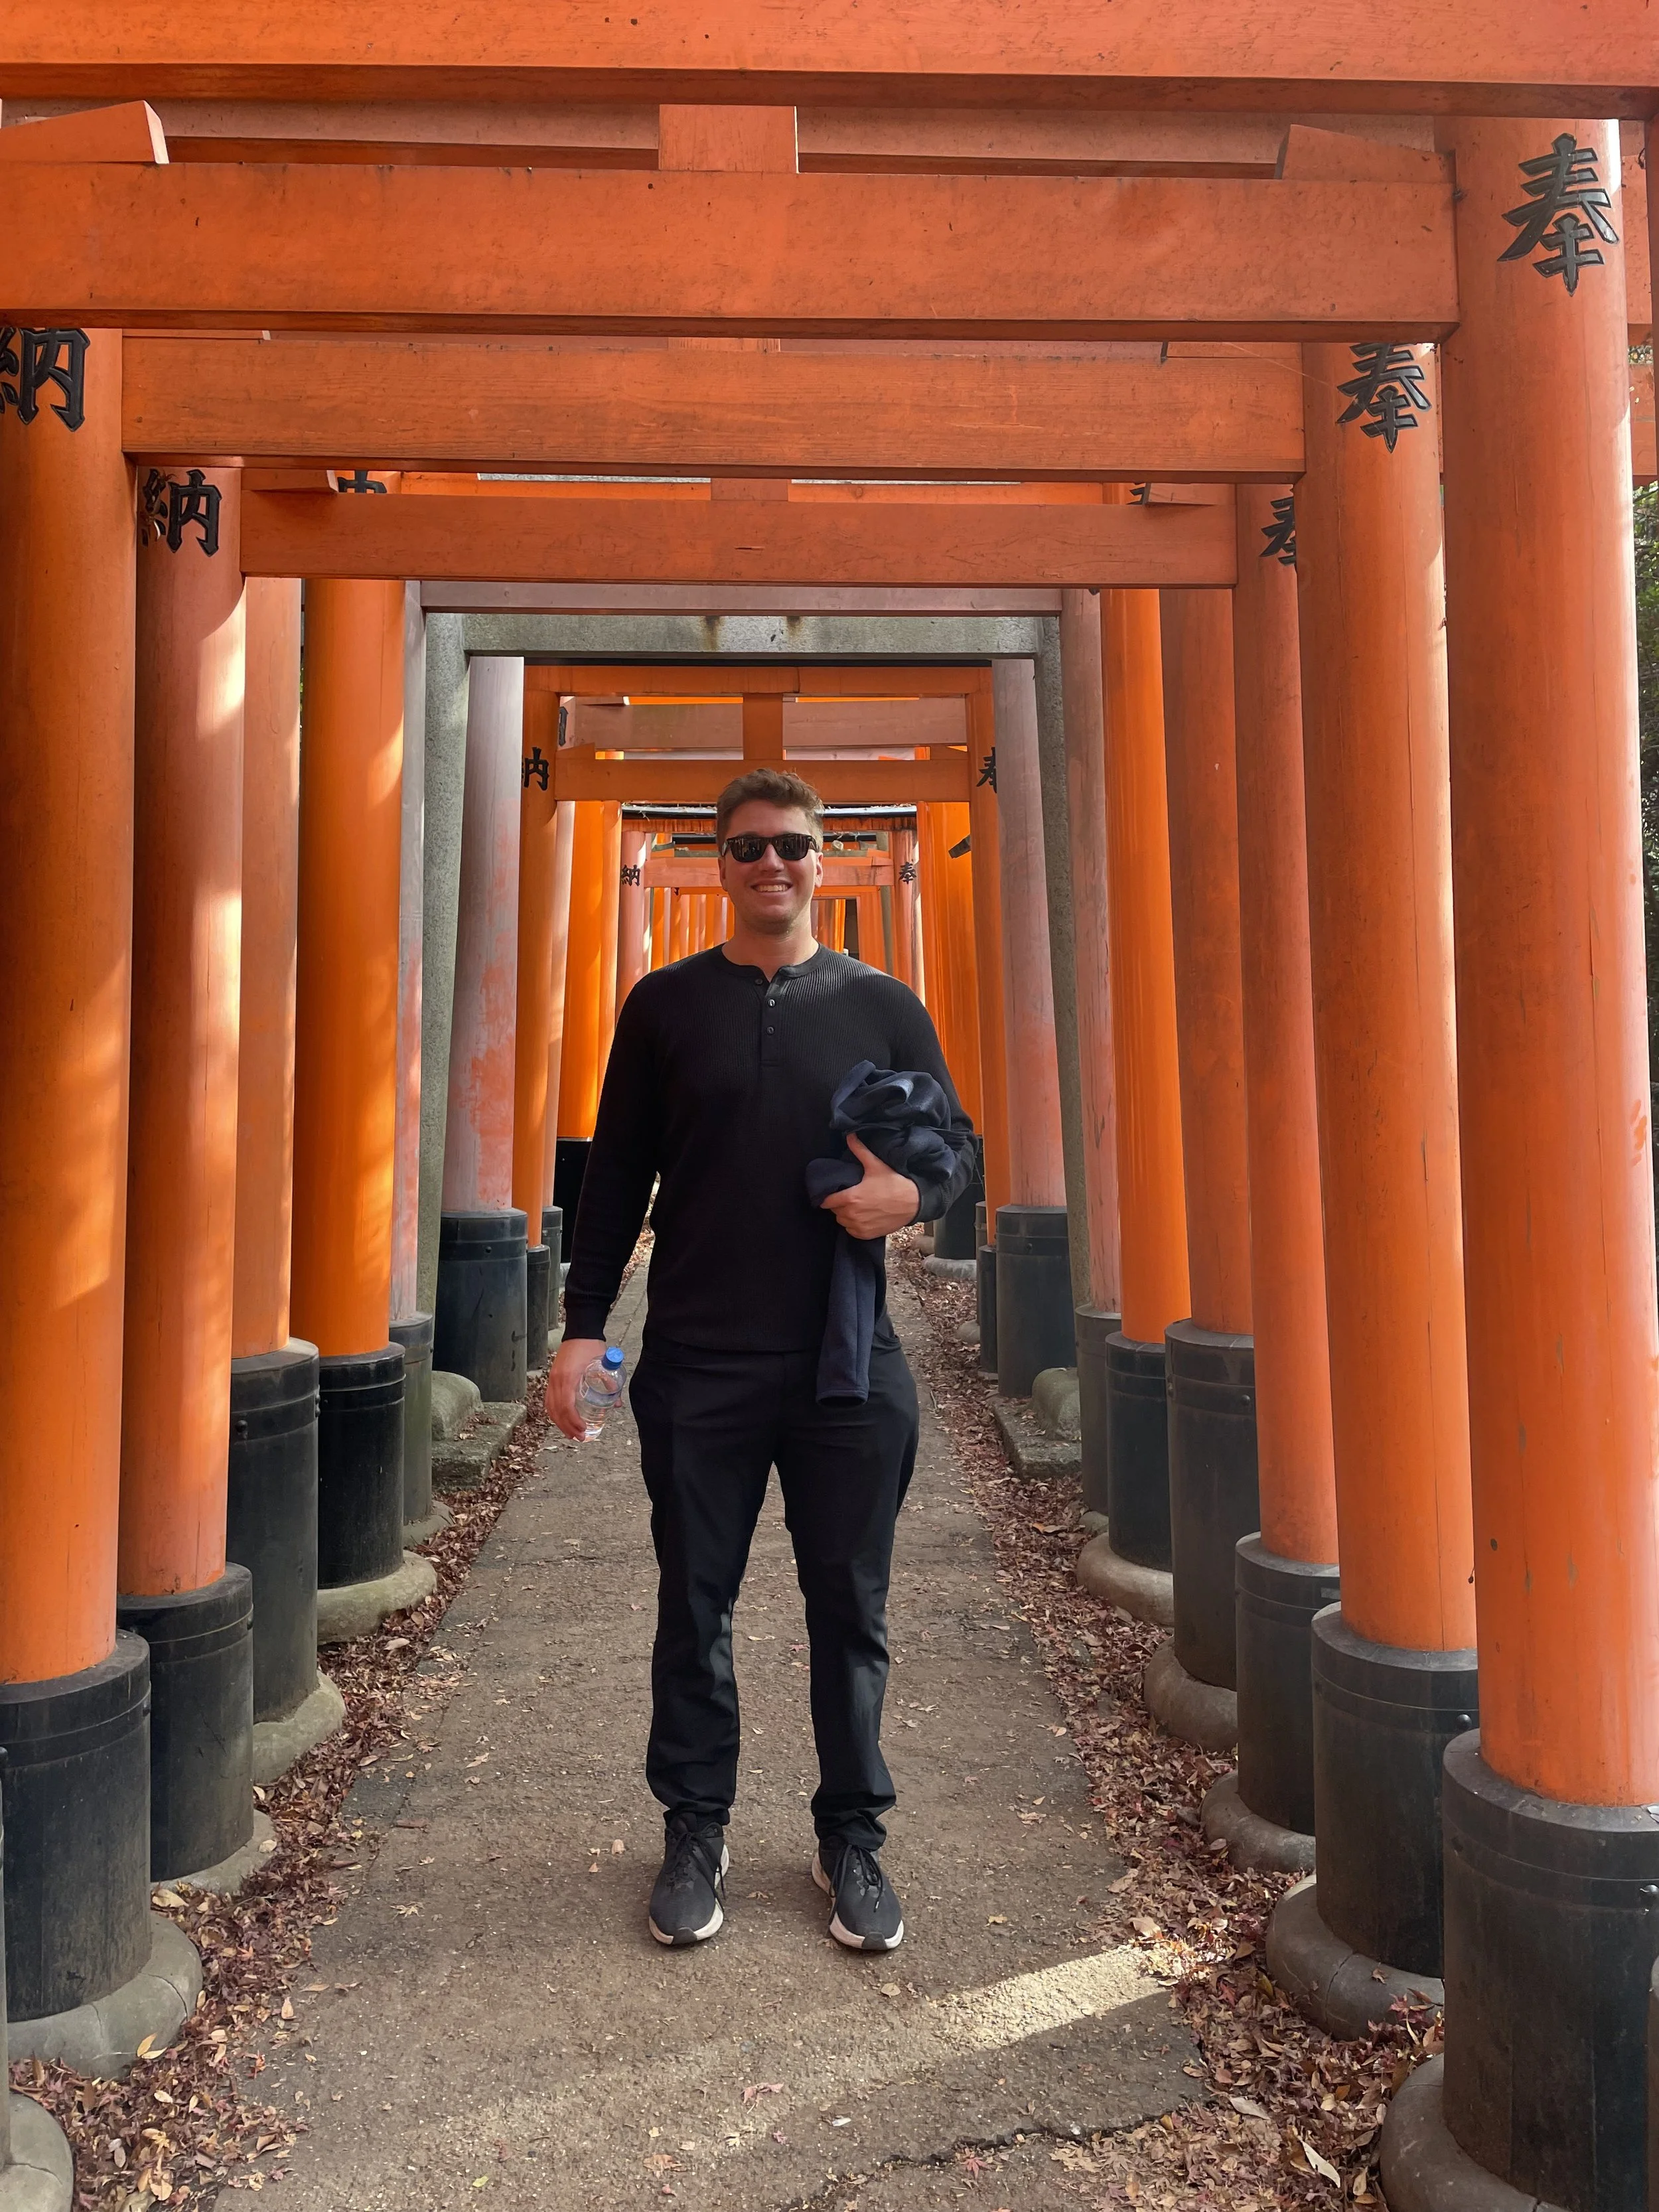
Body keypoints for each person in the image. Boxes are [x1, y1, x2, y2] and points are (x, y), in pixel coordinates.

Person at [547, 767, 975, 1953]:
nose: (770, 864)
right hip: (698, 1358)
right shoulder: (664, 1005)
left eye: (791, 844)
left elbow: (959, 1149)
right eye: (746, 848)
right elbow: (615, 1173)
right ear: (722, 863)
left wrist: (910, 1194)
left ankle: (854, 1836)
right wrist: (583, 1328)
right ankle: (696, 1827)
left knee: (851, 1609)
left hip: (847, 1361)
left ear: (824, 860)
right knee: (695, 1606)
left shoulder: (882, 1002)